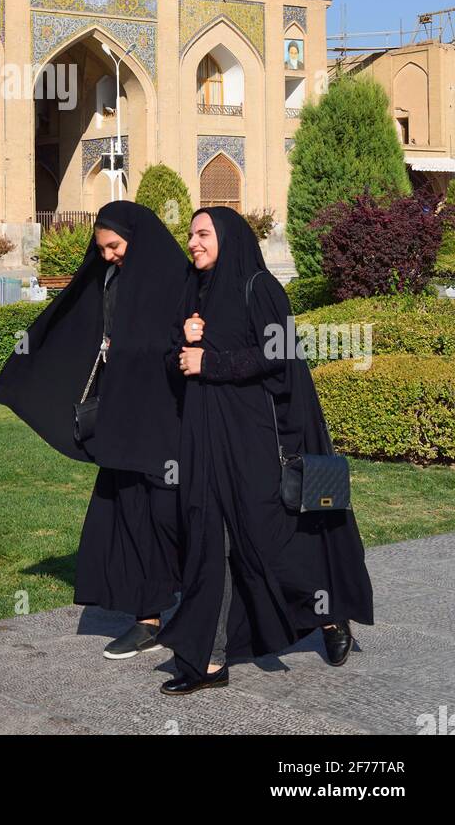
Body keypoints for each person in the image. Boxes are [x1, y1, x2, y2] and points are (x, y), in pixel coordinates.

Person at [159, 206, 374, 696]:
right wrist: (182, 345)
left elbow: (279, 355)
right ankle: (209, 660)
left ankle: (329, 613)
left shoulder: (259, 286)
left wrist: (209, 361)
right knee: (210, 541)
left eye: (203, 234)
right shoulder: (193, 291)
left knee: (270, 539)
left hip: (253, 439)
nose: (192, 242)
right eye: (190, 234)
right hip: (203, 440)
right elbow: (177, 361)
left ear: (228, 237)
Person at [0, 200, 189, 658]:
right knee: (129, 513)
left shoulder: (176, 279)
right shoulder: (110, 278)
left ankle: (197, 606)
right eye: (101, 249)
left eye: (115, 247)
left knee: (173, 514)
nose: (109, 256)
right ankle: (147, 616)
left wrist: (137, 349)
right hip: (125, 420)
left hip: (168, 424)